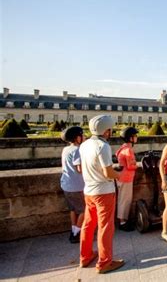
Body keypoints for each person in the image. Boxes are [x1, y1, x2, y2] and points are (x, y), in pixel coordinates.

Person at [79, 115, 124, 274]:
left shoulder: (84, 145)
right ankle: (105, 262)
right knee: (105, 227)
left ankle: (85, 256)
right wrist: (118, 175)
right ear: (106, 131)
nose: (111, 132)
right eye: (110, 129)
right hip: (103, 192)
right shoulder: (103, 146)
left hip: (89, 191)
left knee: (88, 224)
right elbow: (108, 172)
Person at [60, 126, 85, 244]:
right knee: (84, 210)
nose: (84, 137)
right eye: (82, 135)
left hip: (66, 184)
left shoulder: (66, 149)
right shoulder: (77, 150)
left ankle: (73, 229)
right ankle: (77, 233)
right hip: (76, 185)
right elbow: (80, 169)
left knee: (73, 209)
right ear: (77, 138)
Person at [115, 126, 139, 232]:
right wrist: (137, 165)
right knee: (125, 201)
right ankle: (123, 222)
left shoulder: (122, 148)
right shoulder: (129, 150)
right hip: (126, 178)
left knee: (122, 200)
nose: (136, 137)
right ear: (130, 138)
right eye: (135, 136)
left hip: (120, 177)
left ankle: (122, 221)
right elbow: (131, 166)